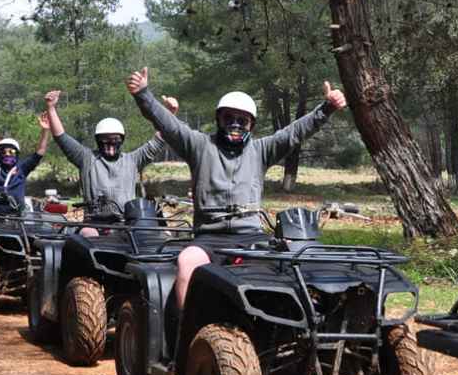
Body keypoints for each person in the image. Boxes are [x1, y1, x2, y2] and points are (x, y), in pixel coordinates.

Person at [126, 66, 346, 308]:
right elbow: (169, 125)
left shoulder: (261, 150)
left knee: (289, 267)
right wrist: (143, 94)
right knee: (187, 262)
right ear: (219, 119)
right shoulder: (199, 146)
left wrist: (327, 108)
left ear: (251, 125)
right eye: (228, 118)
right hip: (209, 238)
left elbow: (294, 133)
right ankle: (185, 336)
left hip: (252, 236)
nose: (235, 124)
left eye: (242, 120)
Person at [44, 89, 173, 233]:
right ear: (97, 141)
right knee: (88, 234)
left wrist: (169, 113)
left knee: (152, 236)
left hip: (126, 223)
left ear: (122, 140)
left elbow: (159, 141)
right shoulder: (86, 158)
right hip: (93, 222)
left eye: (115, 140)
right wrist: (51, 108)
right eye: (104, 140)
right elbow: (61, 137)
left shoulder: (132, 160)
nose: (110, 144)